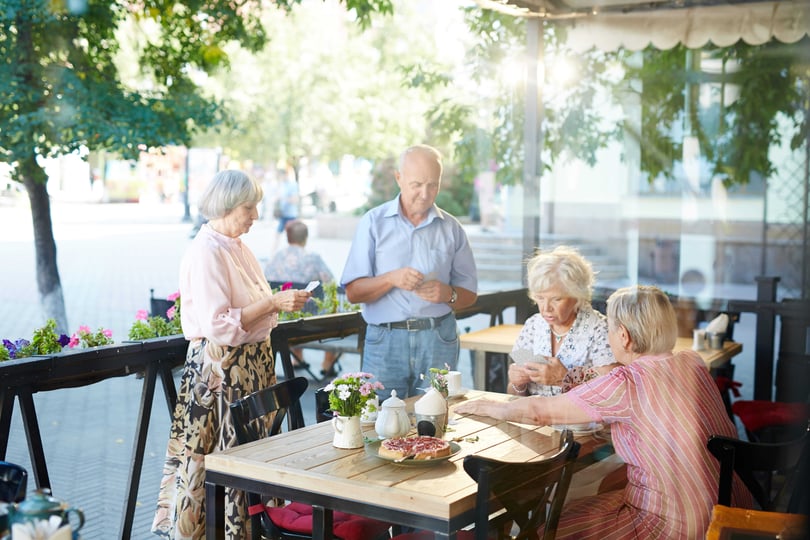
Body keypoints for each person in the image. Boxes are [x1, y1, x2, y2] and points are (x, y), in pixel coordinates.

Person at [456, 285, 752, 539]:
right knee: (602, 488)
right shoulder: (692, 362)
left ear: (623, 336)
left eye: (609, 328)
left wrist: (487, 407)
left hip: (675, 527)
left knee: (552, 528)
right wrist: (565, 376)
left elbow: (538, 413)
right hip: (730, 509)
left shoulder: (627, 382)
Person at [152, 170, 311, 540]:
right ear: (225, 205)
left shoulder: (235, 246)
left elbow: (249, 307)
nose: (255, 216)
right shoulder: (206, 251)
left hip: (248, 366)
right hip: (221, 370)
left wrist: (274, 303)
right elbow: (218, 324)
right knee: (221, 460)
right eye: (248, 207)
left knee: (246, 457)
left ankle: (247, 529)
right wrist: (272, 302)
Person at [341, 144, 478, 398]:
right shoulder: (373, 223)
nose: (425, 194)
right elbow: (353, 292)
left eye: (432, 185)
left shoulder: (452, 229)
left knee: (435, 421)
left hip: (439, 339)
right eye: (417, 184)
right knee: (379, 423)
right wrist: (391, 278)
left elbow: (470, 294)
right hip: (386, 340)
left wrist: (448, 294)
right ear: (398, 178)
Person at [508, 245, 616, 397]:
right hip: (534, 417)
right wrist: (517, 384)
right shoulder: (533, 325)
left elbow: (611, 392)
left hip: (578, 419)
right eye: (540, 298)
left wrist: (564, 379)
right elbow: (514, 395)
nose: (546, 308)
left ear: (577, 295)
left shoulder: (600, 329)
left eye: (556, 299)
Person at [264, 219, 340, 376]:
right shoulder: (312, 258)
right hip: (308, 318)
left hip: (281, 316)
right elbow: (330, 282)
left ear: (288, 237)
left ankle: (297, 357)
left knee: (297, 309)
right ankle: (327, 363)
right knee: (335, 313)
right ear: (305, 237)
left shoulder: (276, 257)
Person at [271, 171, 299, 253]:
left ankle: (294, 254)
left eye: (282, 176)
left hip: (291, 215)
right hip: (283, 215)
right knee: (277, 234)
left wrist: (283, 198)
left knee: (292, 236)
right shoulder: (281, 185)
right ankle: (273, 254)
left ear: (286, 175)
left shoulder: (293, 185)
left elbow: (295, 200)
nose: (281, 178)